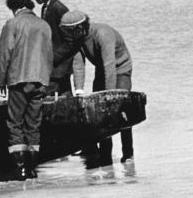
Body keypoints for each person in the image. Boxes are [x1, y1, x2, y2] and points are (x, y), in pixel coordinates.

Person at [57, 10, 135, 177]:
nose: (67, 36)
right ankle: (105, 154)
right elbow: (78, 66)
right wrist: (78, 92)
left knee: (121, 111)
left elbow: (109, 65)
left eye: (68, 32)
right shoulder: (77, 39)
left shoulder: (103, 33)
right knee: (99, 114)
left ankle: (128, 153)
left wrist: (110, 96)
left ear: (79, 28)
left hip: (120, 69)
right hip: (103, 70)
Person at [0, 0, 52, 181]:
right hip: (41, 80)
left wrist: (0, 81)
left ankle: (20, 169)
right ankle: (33, 167)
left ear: (15, 8)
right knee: (33, 124)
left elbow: (4, 55)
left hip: (19, 80)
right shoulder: (44, 25)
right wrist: (47, 80)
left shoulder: (12, 24)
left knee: (15, 123)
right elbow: (49, 55)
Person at [27, 0, 83, 96]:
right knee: (64, 95)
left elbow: (71, 41)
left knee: (54, 96)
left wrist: (54, 58)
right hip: (56, 66)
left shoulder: (58, 8)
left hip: (60, 66)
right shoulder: (46, 7)